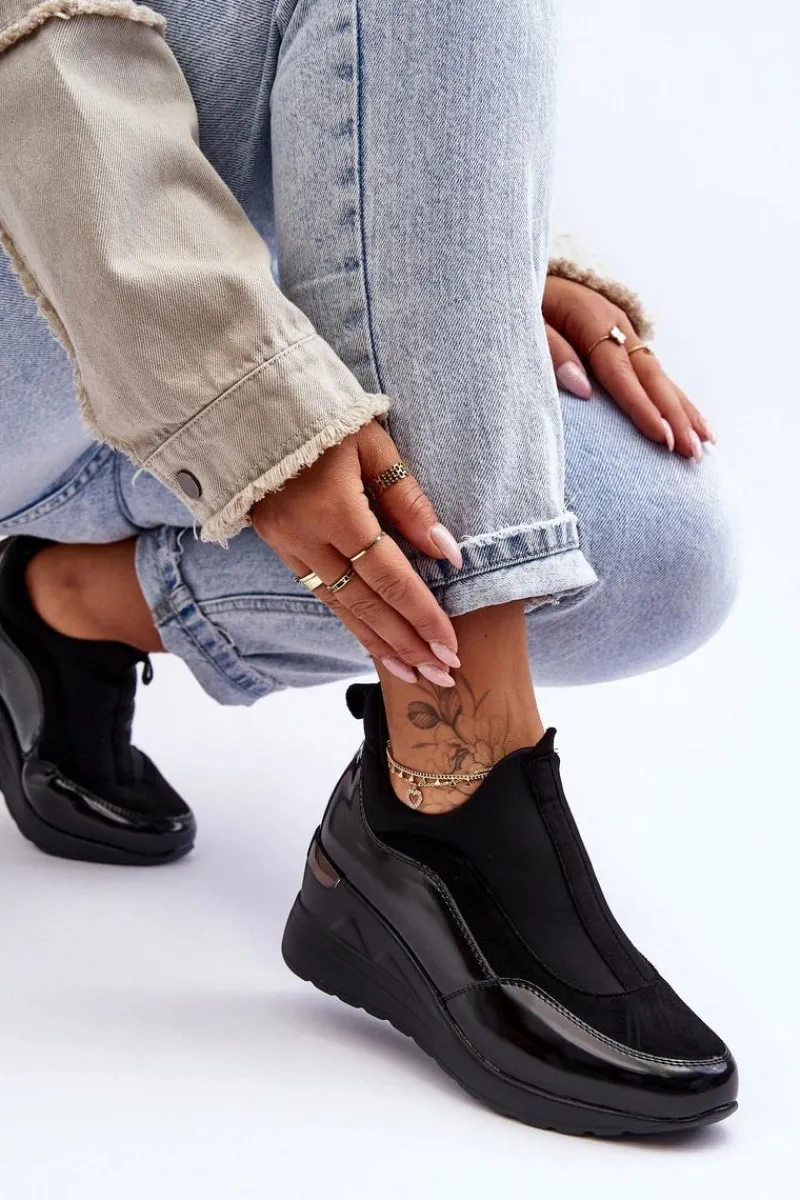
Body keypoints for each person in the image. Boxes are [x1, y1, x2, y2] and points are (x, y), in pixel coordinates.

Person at [0, 0, 739, 1135]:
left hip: (184, 259)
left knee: (654, 552)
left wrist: (482, 249)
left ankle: (67, 601)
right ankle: (447, 784)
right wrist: (237, 392)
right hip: (45, 231)